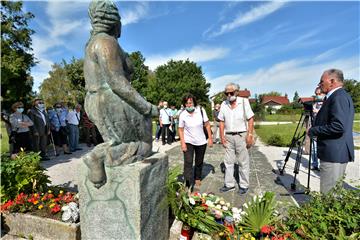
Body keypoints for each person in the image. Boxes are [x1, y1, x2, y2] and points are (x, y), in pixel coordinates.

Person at [308, 69, 354, 194]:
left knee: (329, 194)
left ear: (332, 81)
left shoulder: (338, 97)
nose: (319, 84)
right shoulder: (338, 96)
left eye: (322, 81)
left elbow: (338, 126)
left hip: (334, 152)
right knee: (333, 193)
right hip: (335, 151)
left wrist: (314, 130)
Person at [218, 83, 255, 194]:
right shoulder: (224, 104)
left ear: (237, 92)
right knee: (228, 161)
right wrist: (222, 137)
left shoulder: (244, 102)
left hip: (241, 135)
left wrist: (250, 135)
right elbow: (221, 121)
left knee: (243, 161)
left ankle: (244, 185)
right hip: (228, 135)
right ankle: (229, 184)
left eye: (231, 92)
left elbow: (251, 119)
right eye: (226, 93)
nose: (229, 95)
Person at [178, 94, 213, 190]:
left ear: (194, 102)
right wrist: (183, 143)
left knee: (199, 161)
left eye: (190, 103)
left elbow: (207, 125)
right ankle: (188, 183)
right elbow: (180, 129)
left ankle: (197, 177)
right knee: (188, 162)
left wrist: (210, 138)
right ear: (184, 104)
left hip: (201, 141)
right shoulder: (183, 114)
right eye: (187, 103)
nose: (189, 105)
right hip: (188, 141)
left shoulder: (200, 110)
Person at [310, 87, 326, 171]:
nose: (318, 96)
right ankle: (314, 164)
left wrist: (318, 111)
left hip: (323, 128)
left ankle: (321, 165)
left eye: (319, 94)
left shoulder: (326, 102)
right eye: (316, 94)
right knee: (314, 148)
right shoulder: (314, 103)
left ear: (323, 94)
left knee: (322, 147)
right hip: (314, 126)